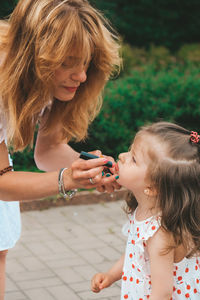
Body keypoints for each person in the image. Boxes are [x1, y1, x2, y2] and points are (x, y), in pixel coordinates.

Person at [0, 0, 121, 298]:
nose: (81, 76)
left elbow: (50, 150)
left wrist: (93, 169)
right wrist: (67, 179)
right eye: (68, 62)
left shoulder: (47, 79)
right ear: (35, 55)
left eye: (85, 62)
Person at [91, 122, 200, 299]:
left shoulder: (159, 235)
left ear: (153, 187)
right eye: (129, 150)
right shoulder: (145, 211)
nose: (121, 156)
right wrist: (111, 275)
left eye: (133, 158)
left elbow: (162, 293)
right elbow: (134, 253)